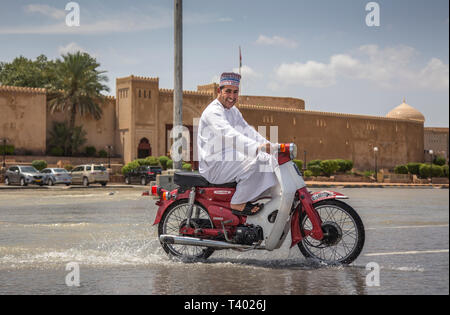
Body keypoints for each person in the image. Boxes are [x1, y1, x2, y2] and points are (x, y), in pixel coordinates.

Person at [197, 72, 278, 215]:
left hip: (229, 159)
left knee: (270, 160)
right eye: (228, 91)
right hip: (215, 164)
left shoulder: (233, 111)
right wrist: (256, 148)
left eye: (235, 92)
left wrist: (272, 147)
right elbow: (229, 134)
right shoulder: (213, 112)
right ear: (219, 91)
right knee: (257, 161)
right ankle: (238, 202)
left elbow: (248, 131)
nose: (232, 96)